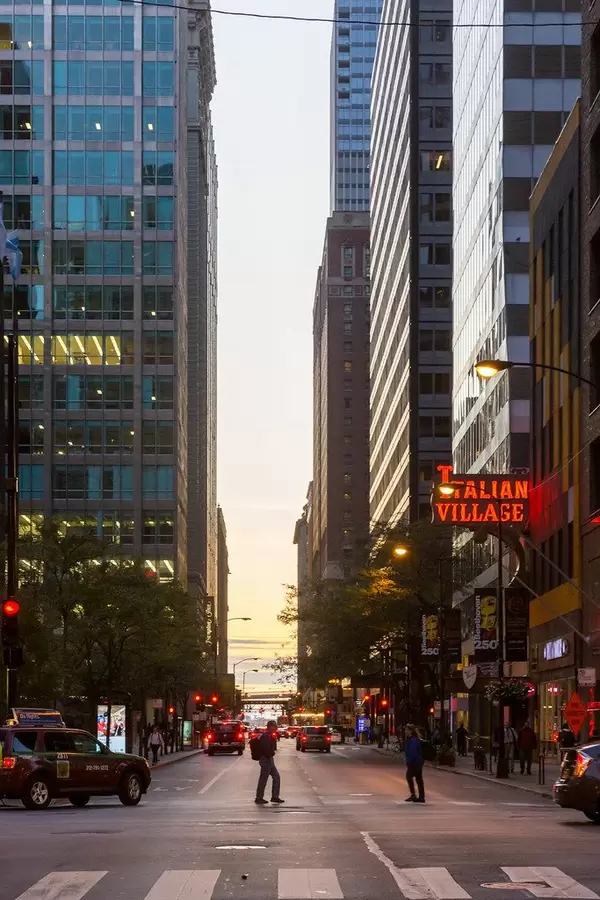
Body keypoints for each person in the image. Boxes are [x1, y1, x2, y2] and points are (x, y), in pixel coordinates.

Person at [255, 720, 285, 805]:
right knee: (263, 779)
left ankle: (275, 796)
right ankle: (259, 797)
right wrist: (271, 753)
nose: (276, 728)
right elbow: (265, 748)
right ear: (270, 727)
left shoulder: (270, 735)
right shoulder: (266, 736)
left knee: (276, 777)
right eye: (274, 726)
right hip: (266, 759)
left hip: (269, 759)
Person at [404, 723, 425, 803]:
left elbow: (412, 752)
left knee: (409, 777)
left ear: (410, 731)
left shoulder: (412, 740)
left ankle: (414, 795)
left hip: (414, 762)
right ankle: (421, 797)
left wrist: (409, 762)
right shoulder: (413, 739)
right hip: (418, 762)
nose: (405, 731)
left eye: (406, 730)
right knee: (419, 779)